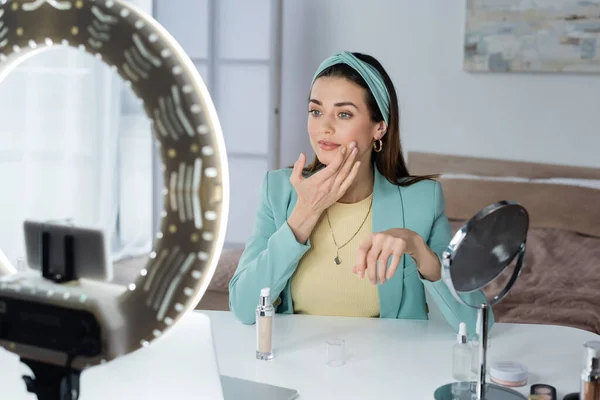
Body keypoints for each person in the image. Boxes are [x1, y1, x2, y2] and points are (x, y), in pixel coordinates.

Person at [228, 51, 492, 336]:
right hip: (294, 365)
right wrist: (304, 213)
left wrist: (417, 248)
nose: (324, 127)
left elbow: (479, 325)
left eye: (343, 114)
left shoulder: (422, 201)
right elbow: (243, 307)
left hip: (384, 370)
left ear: (379, 128)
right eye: (316, 111)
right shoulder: (278, 190)